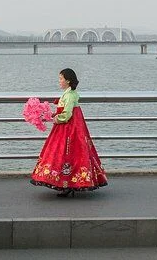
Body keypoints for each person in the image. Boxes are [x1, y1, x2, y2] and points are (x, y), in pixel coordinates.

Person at [30, 68, 108, 197]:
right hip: (71, 127)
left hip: (68, 128)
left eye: (61, 78)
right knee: (71, 154)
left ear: (68, 80)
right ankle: (67, 184)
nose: (59, 81)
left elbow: (66, 115)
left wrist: (55, 118)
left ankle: (67, 184)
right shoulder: (69, 93)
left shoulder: (70, 95)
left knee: (65, 153)